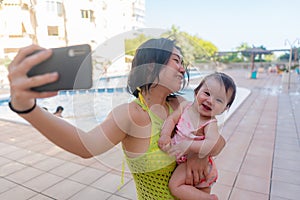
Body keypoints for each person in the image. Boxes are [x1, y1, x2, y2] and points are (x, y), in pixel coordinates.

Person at [7, 38, 225, 200]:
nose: (182, 68)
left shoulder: (180, 106)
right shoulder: (131, 115)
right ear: (151, 65)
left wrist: (200, 153)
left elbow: (219, 140)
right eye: (176, 60)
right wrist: (26, 108)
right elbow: (85, 145)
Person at [158, 72, 236, 200]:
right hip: (192, 164)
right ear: (196, 92)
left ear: (224, 109)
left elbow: (212, 143)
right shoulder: (184, 107)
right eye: (207, 93)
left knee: (175, 186)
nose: (210, 101)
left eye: (219, 100)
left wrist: (188, 146)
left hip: (194, 163)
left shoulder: (210, 123)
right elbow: (172, 119)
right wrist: (165, 135)